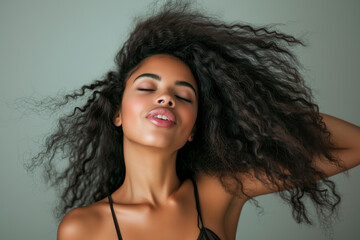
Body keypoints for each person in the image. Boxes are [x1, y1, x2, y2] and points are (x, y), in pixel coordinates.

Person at [29, 2, 360, 240]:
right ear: (116, 113)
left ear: (193, 130)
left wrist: (258, 113)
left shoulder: (222, 189)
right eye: (147, 87)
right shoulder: (83, 229)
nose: (166, 98)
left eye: (184, 96)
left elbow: (354, 145)